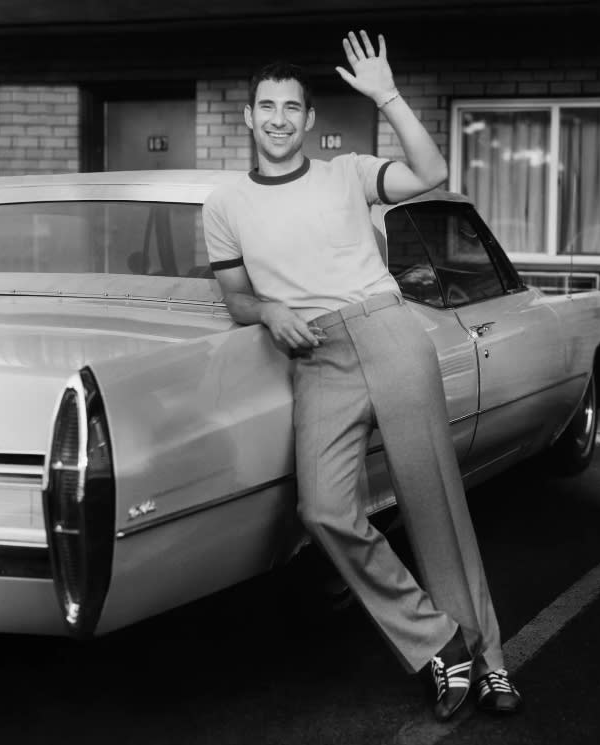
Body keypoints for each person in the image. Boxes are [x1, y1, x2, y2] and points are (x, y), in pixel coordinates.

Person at [202, 30, 521, 721]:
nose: (279, 118)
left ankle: (489, 657)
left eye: (292, 107)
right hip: (315, 356)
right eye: (267, 106)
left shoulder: (343, 173)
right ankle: (439, 642)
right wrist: (267, 309)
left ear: (308, 120)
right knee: (322, 509)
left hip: (385, 331)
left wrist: (387, 95)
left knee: (431, 502)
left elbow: (430, 174)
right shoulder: (223, 204)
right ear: (248, 117)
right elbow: (233, 298)